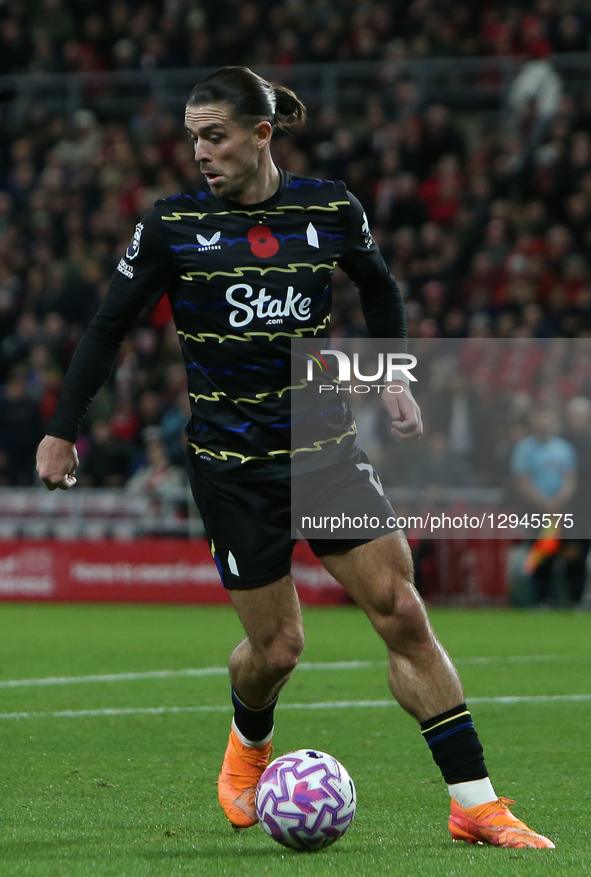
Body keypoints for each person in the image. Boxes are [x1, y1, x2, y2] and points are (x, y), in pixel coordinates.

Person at [36, 66, 554, 849]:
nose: (200, 153)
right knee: (277, 649)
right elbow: (107, 326)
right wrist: (62, 428)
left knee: (402, 612)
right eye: (192, 139)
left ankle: (473, 802)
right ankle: (248, 744)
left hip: (324, 456)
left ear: (261, 133)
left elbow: (379, 290)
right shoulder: (174, 224)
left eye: (214, 136)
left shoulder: (329, 207)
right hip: (232, 466)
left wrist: (392, 377)